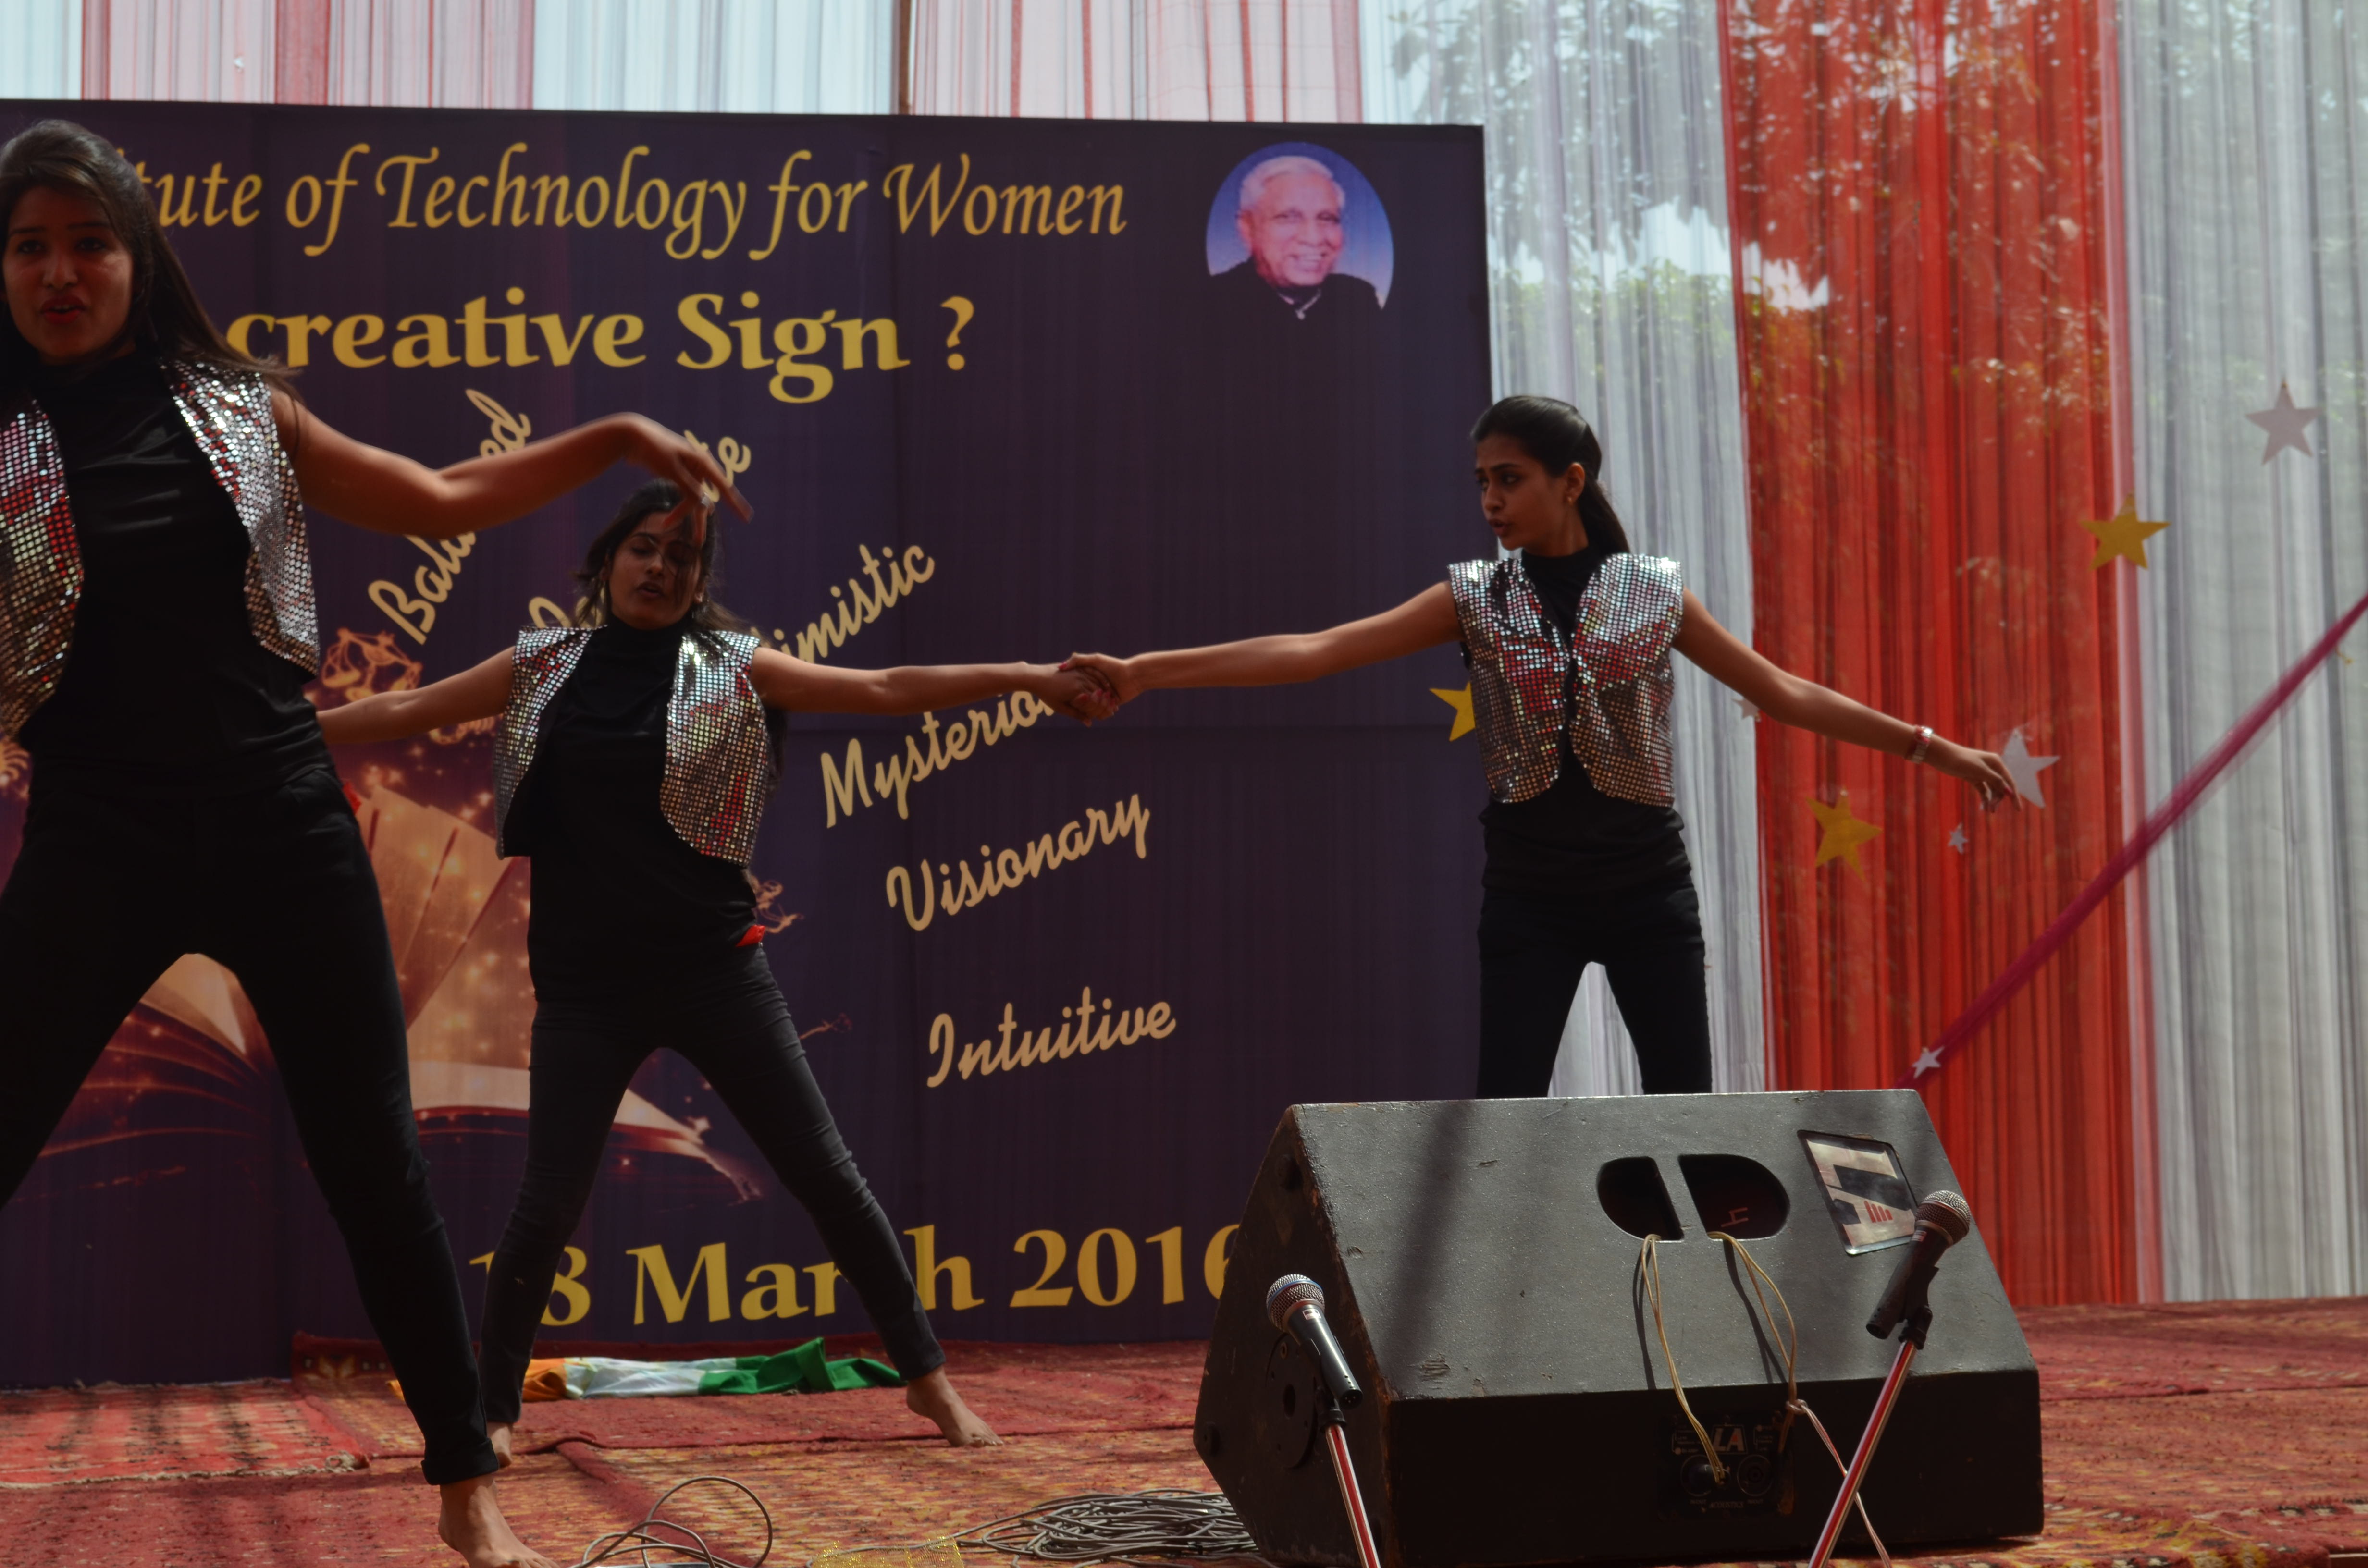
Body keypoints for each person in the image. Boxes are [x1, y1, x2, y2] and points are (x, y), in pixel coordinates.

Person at [0, 119, 749, 1568]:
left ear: (138, 256)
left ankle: (464, 1475)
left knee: (372, 1162)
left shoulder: (242, 413)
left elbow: (440, 498)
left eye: (88, 242)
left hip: (281, 826)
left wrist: (609, 438)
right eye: (28, 247)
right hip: (97, 839)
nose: (60, 272)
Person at [316, 481, 1113, 1463]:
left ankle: (927, 1379)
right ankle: (495, 1409)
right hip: (586, 990)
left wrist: (1028, 678)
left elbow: (882, 687)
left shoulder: (734, 666)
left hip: (716, 975)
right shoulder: (541, 664)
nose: (659, 568)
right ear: (608, 560)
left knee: (827, 1176)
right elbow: (405, 706)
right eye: (643, 549)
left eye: (681, 557)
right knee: (547, 1205)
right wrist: (277, 726)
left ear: (698, 581)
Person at [1065, 395, 2017, 1098]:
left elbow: (1781, 690)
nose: (1489, 498)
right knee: (1507, 1120)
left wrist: (1930, 747)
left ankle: (1682, 1295)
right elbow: (1315, 652)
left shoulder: (1653, 591)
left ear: (1570, 483)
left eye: (1509, 478)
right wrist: (1145, 671)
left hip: (1649, 893)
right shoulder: (1471, 596)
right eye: (1481, 481)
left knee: (1683, 1116)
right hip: (1529, 898)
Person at [1210, 154, 1383, 337]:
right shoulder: (1211, 303)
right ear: (1247, 228)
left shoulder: (1358, 298)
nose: (1314, 238)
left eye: (1327, 219)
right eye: (1288, 218)